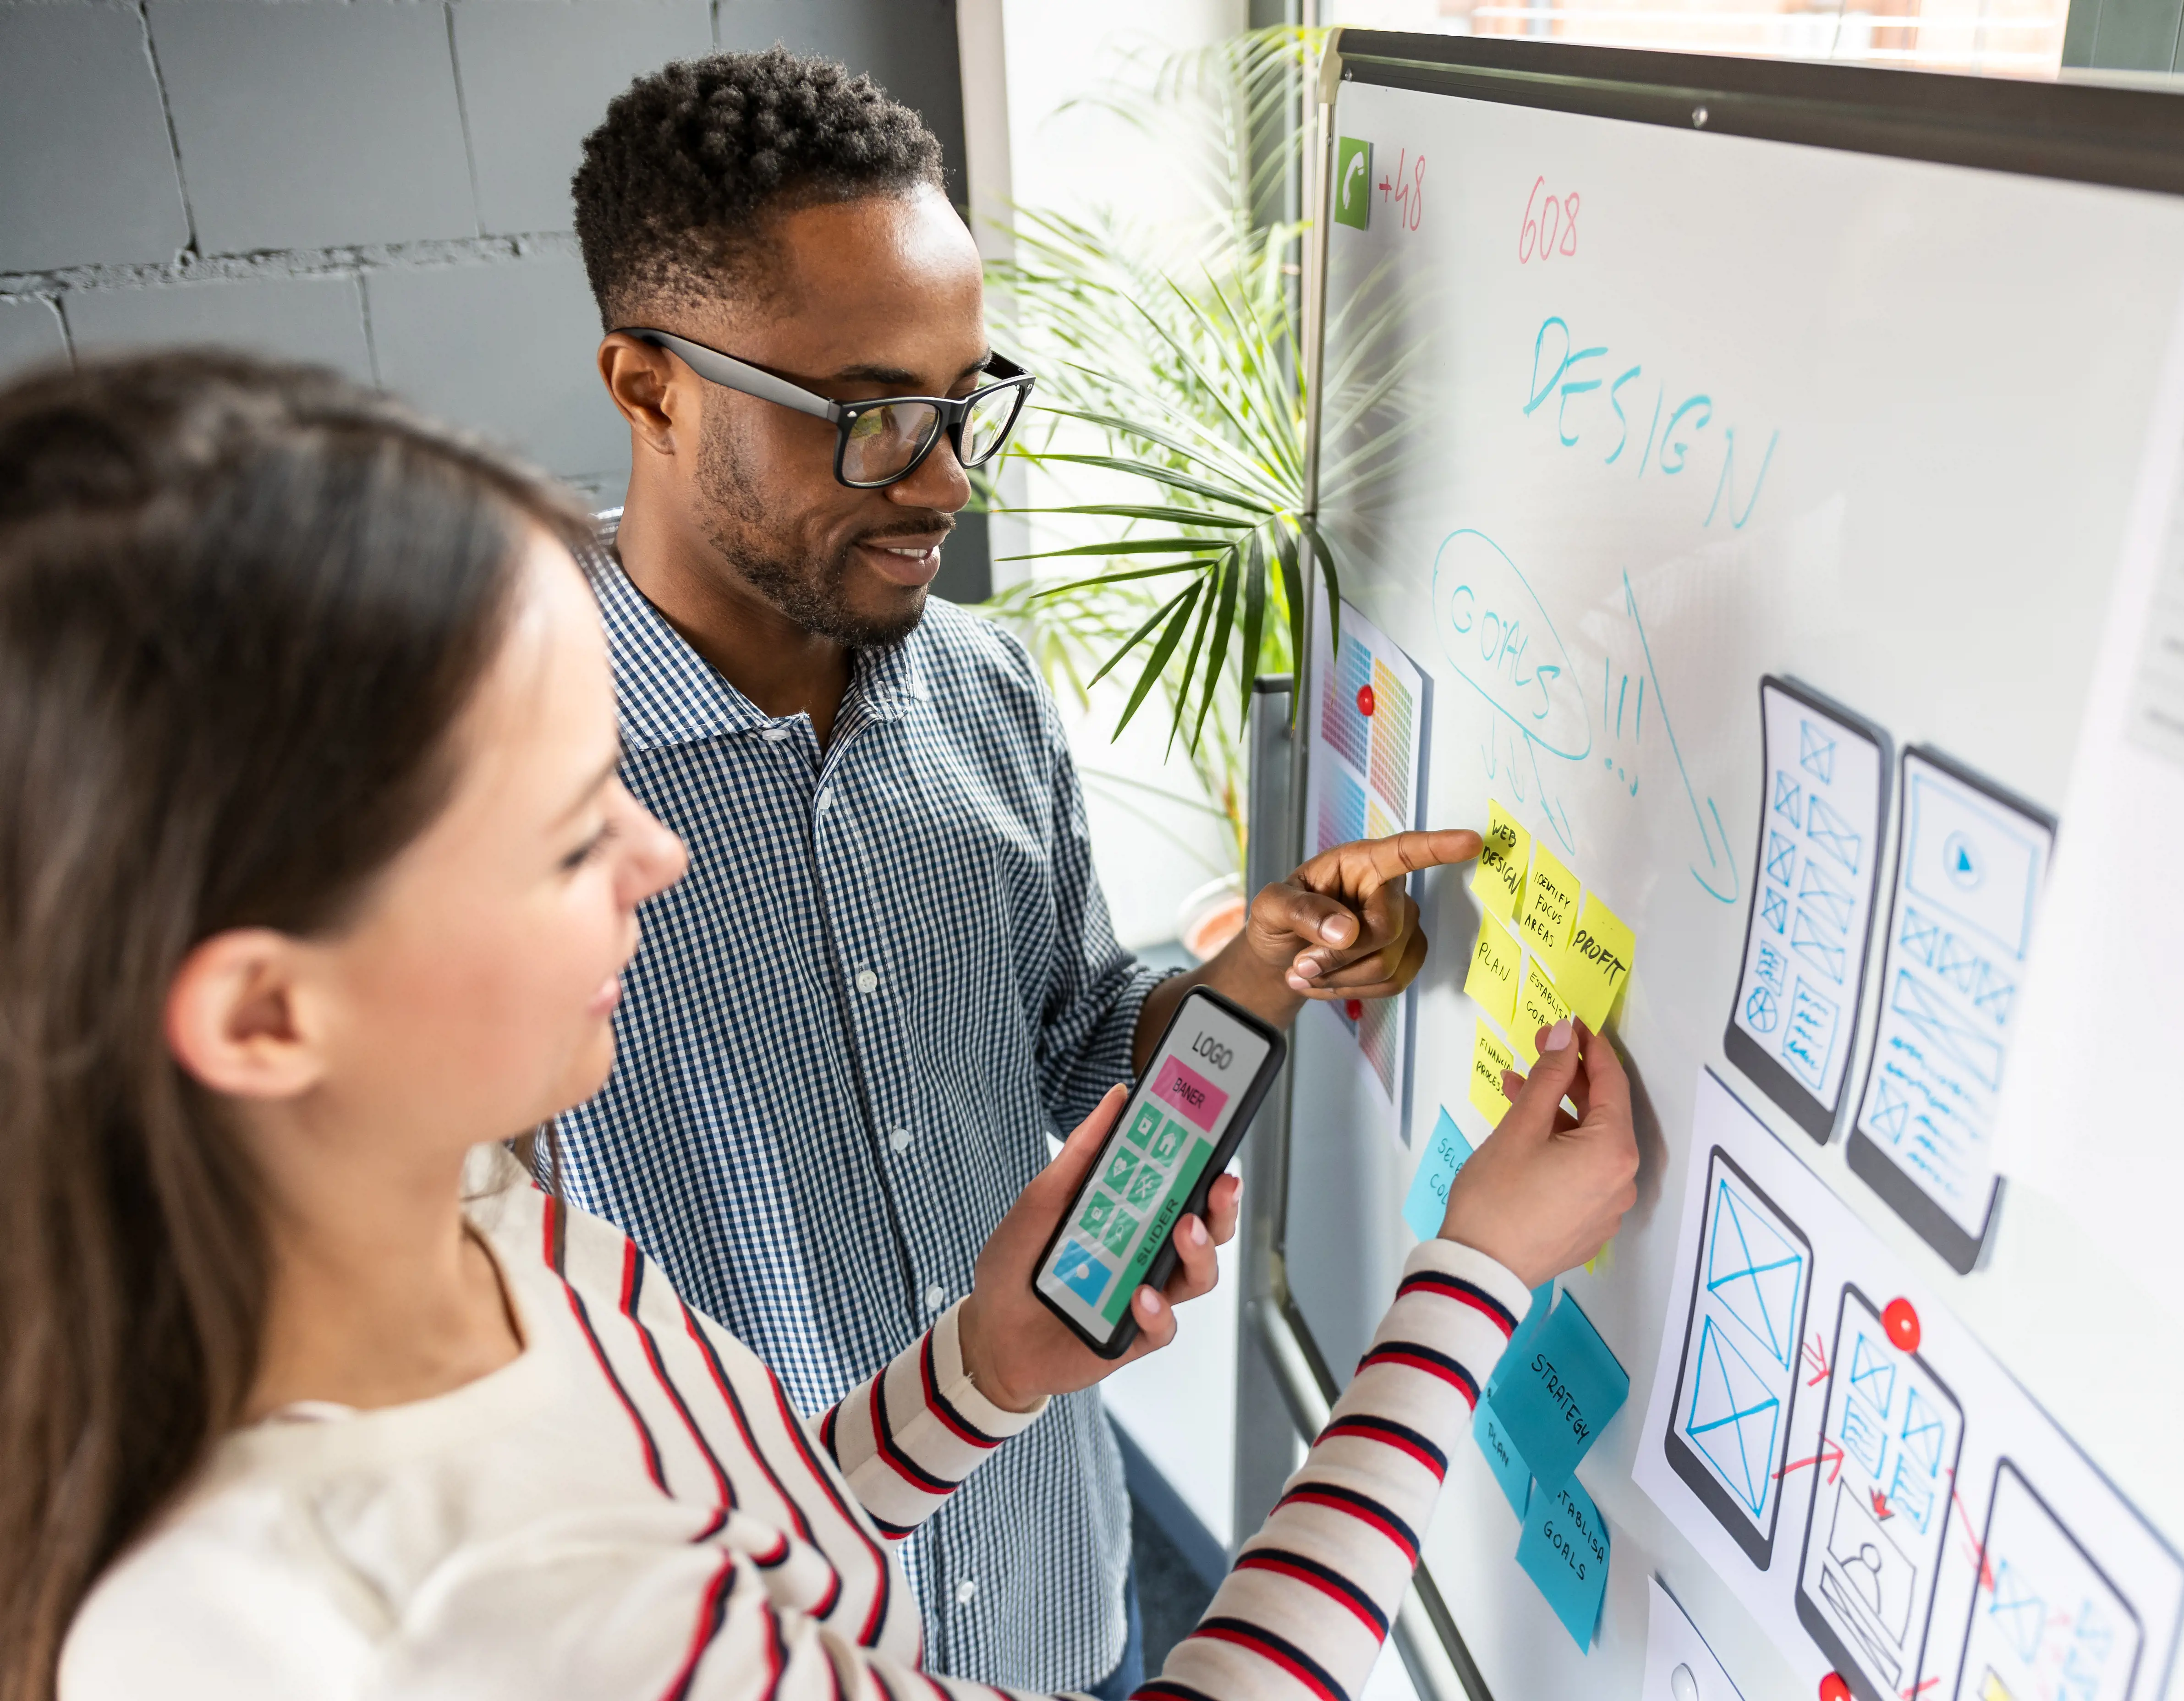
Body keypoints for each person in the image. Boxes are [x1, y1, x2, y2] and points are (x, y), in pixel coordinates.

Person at [0, 355, 1640, 1701]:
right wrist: (1470, 1281)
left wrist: (985, 1369)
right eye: (573, 834)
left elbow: (739, 1529)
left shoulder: (485, 1228)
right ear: (268, 1012)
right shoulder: (456, 1622)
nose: (658, 854)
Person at [560, 51, 1478, 1696]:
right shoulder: (485, 797)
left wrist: (1258, 971)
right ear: (650, 387)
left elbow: (1071, 1031)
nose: (945, 480)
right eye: (869, 417)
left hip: (1063, 1601)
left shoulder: (980, 694)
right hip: (742, 1651)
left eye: (966, 397)